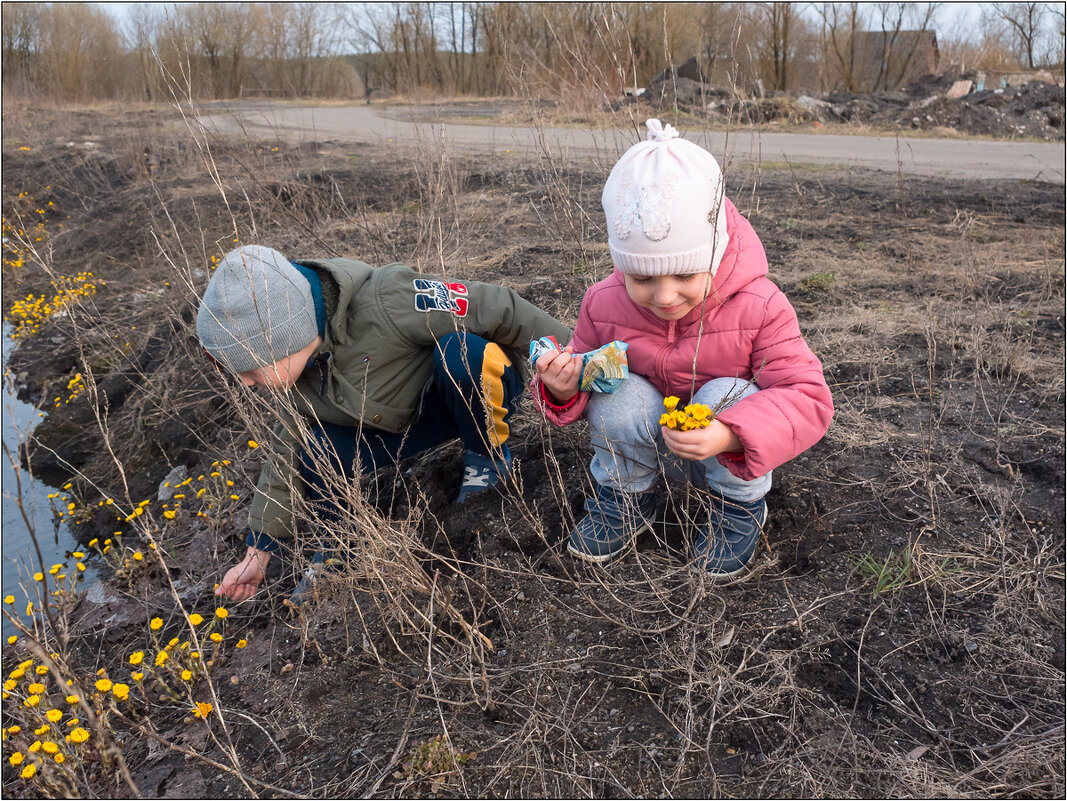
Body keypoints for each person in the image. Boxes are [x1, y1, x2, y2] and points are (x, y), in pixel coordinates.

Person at [533, 119, 833, 577]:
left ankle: (738, 510)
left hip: (726, 455)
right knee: (618, 392)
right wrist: (561, 385)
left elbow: (807, 397)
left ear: (714, 255)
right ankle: (625, 500)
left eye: (685, 276)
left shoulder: (760, 305)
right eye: (643, 279)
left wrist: (729, 435)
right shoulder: (603, 301)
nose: (665, 296)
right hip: (645, 448)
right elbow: (583, 372)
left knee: (724, 395)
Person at [197, 245, 571, 602]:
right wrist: (257, 553)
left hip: (468, 396)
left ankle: (487, 461)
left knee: (465, 355)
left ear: (284, 338)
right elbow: (283, 455)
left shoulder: (389, 299)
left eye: (249, 367)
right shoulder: (294, 373)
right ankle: (342, 544)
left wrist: (578, 359)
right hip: (401, 424)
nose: (245, 382)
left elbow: (498, 308)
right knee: (311, 451)